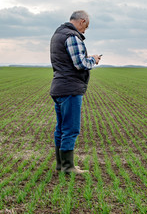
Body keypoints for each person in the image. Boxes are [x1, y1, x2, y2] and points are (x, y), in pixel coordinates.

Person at [50, 10, 101, 174]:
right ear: (82, 21)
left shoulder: (58, 35)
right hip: (69, 88)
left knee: (61, 128)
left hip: (59, 86)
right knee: (71, 128)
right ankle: (68, 167)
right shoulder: (72, 36)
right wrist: (93, 59)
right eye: (86, 26)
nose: (85, 31)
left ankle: (61, 164)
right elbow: (80, 63)